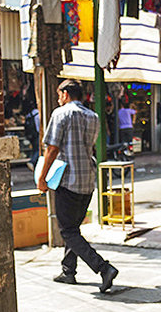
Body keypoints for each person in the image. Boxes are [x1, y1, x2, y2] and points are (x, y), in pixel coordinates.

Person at [37, 79, 119, 293]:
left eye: (58, 94)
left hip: (68, 180)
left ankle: (103, 268)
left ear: (65, 94)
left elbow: (52, 149)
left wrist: (42, 177)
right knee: (73, 227)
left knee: (67, 230)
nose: (58, 99)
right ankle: (68, 271)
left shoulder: (61, 113)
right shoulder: (93, 116)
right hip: (87, 180)